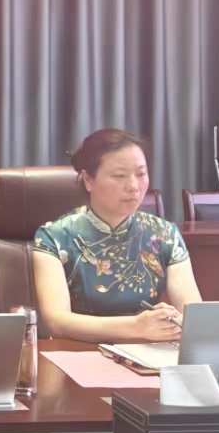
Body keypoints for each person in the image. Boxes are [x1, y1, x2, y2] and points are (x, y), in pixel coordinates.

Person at [32, 128, 203, 344]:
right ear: (88, 180)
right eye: (119, 176)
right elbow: (57, 321)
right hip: (80, 352)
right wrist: (136, 327)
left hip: (147, 353)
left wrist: (176, 321)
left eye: (141, 174)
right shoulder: (54, 237)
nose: (133, 186)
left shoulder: (165, 234)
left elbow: (194, 315)